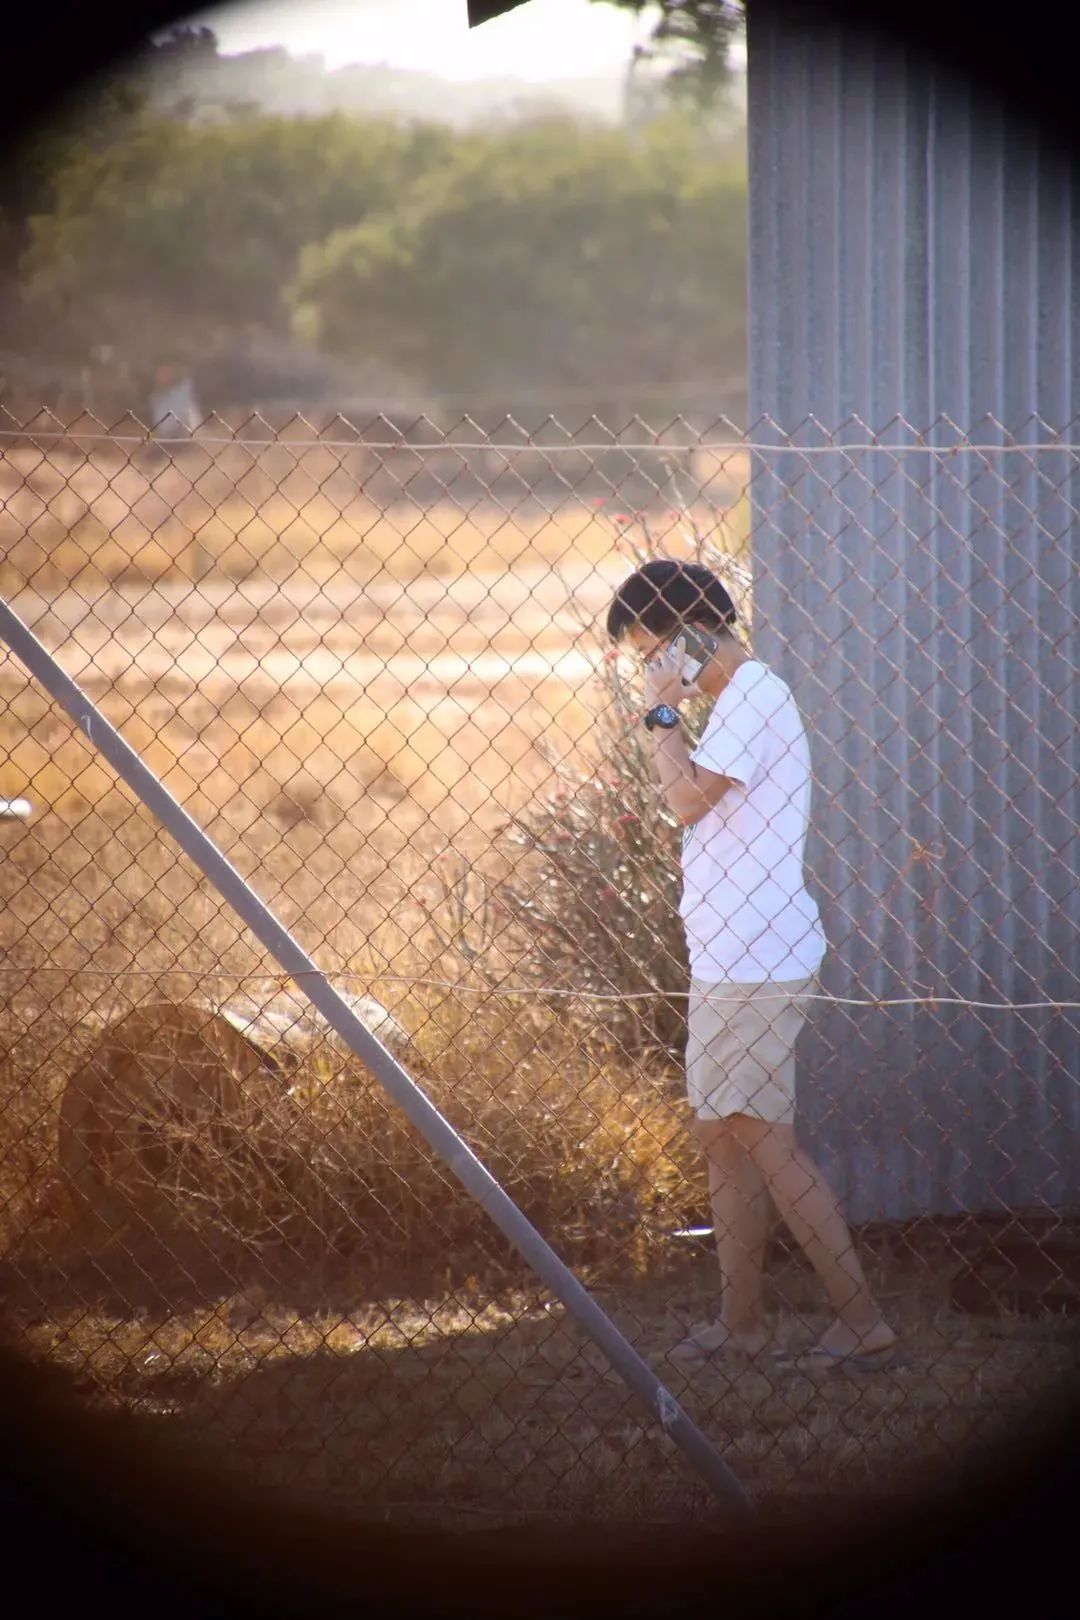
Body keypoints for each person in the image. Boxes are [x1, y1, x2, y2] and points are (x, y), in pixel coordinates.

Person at [606, 559, 896, 1372]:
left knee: (763, 1137)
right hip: (730, 958)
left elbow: (687, 799)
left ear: (693, 634)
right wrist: (670, 707)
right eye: (641, 659)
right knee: (723, 1135)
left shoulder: (751, 697)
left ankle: (861, 1321)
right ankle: (741, 1325)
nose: (651, 670)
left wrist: (661, 714)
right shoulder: (741, 703)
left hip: (757, 961)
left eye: (652, 651)